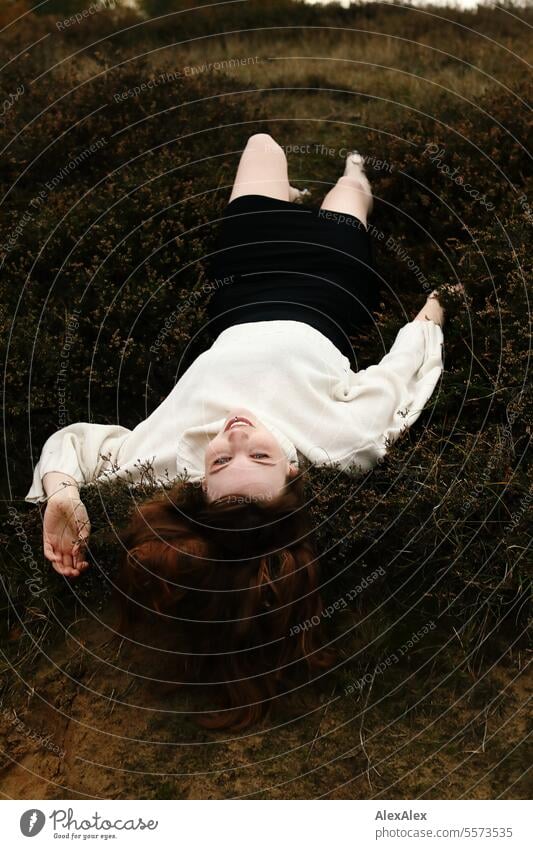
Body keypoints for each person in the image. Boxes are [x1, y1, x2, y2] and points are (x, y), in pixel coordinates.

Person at [24, 133, 451, 729]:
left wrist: (63, 492)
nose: (235, 435)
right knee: (351, 194)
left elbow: (77, 444)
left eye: (222, 461)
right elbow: (400, 387)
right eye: (259, 454)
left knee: (262, 145)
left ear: (201, 480)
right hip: (329, 288)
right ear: (294, 469)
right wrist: (432, 314)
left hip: (242, 284)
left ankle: (290, 193)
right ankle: (354, 165)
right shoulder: (341, 441)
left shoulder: (168, 456)